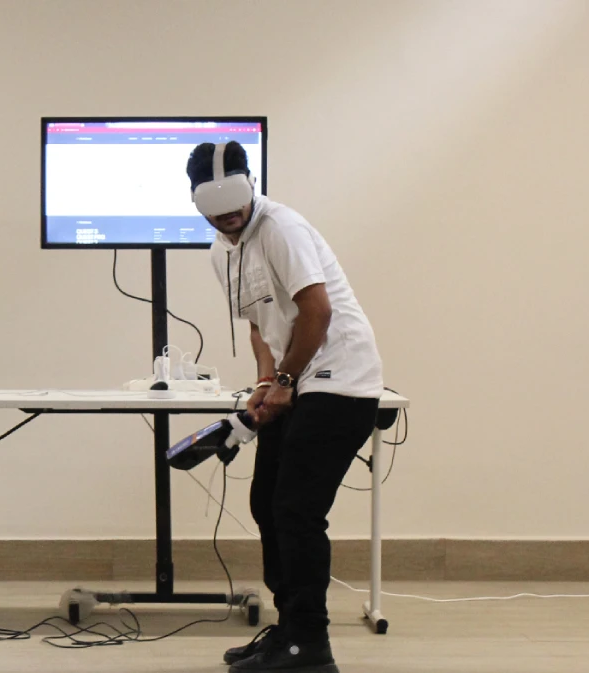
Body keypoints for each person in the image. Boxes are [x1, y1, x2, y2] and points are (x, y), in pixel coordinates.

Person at [187, 141, 384, 673]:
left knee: (296, 511)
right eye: (215, 209)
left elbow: (316, 312)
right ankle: (290, 629)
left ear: (251, 186)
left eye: (235, 204)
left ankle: (310, 644)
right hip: (298, 382)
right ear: (196, 203)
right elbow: (259, 325)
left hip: (341, 381)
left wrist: (286, 380)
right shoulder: (221, 251)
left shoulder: (281, 228)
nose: (228, 216)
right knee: (267, 505)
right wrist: (265, 381)